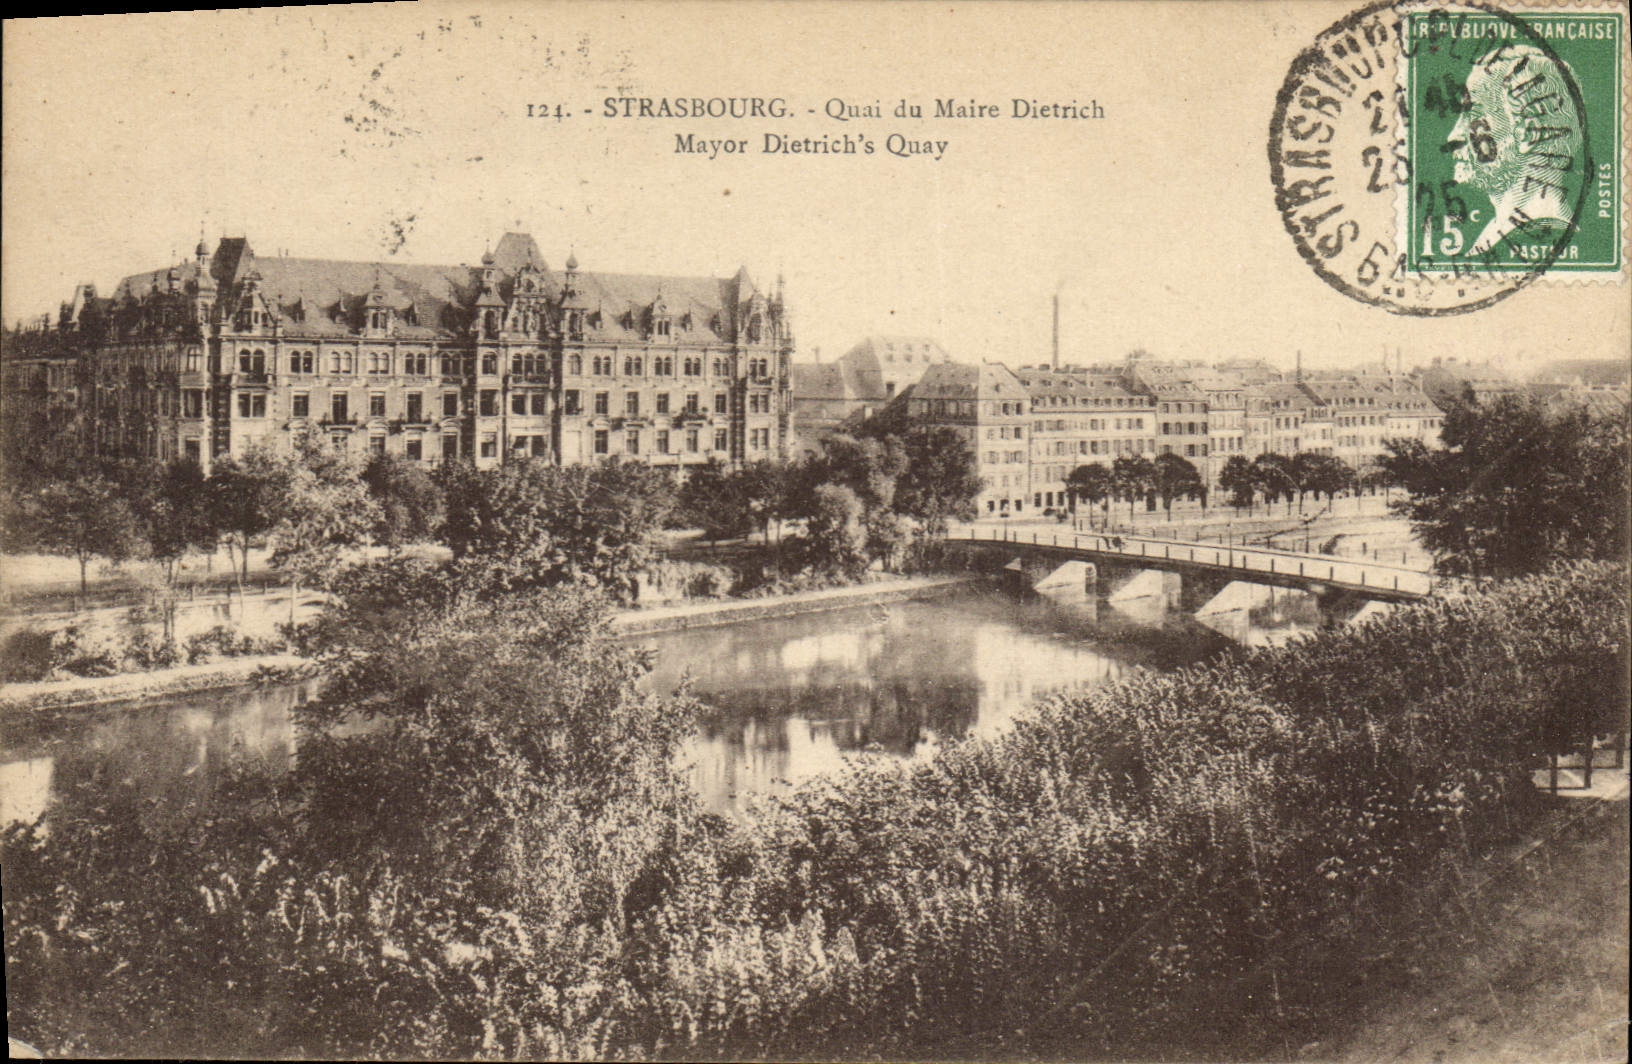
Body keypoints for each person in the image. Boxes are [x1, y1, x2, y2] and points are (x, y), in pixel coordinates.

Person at [1448, 44, 1581, 255]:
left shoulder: (1533, 234)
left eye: (1471, 115)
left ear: (1528, 134)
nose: (1453, 136)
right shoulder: (1496, 233)